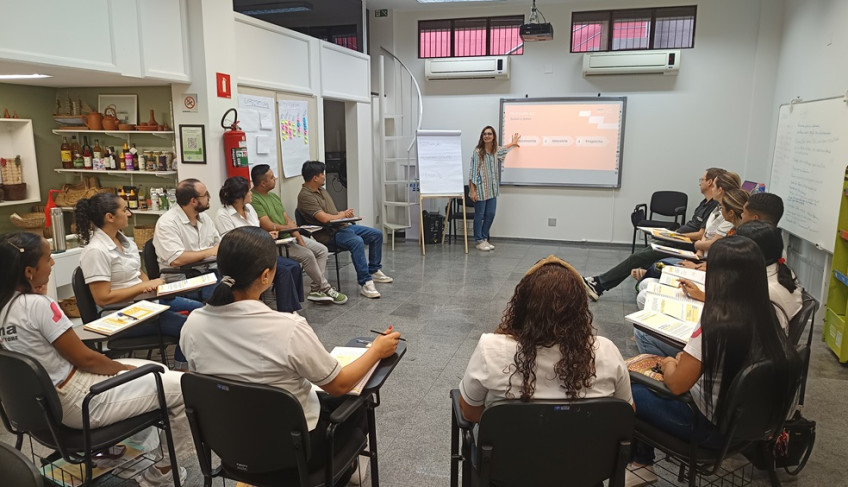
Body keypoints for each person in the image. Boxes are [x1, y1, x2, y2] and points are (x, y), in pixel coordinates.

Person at [180, 226, 401, 480]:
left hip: (229, 446)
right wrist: (376, 350)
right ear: (266, 276)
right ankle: (344, 471)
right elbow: (339, 385)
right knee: (358, 400)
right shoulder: (288, 328)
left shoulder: (194, 324)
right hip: (291, 453)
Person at [0, 232, 192, 487]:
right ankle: (164, 473)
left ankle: (122, 451)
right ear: (28, 271)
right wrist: (119, 367)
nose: (53, 263)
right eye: (48, 259)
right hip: (76, 400)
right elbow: (86, 360)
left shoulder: (6, 307)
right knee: (183, 387)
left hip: (38, 407)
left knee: (155, 367)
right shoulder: (37, 306)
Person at [626, 236, 799, 486]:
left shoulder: (715, 325)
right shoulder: (773, 315)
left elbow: (676, 385)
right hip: (751, 426)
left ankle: (641, 463)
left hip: (708, 430)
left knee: (628, 387)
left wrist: (669, 364)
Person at [458, 255, 632, 425]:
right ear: (580, 310)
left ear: (522, 306)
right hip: (588, 454)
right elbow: (627, 412)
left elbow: (469, 411)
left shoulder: (490, 349)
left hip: (512, 453)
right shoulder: (606, 351)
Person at [75, 193, 203, 369]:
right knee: (191, 328)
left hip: (145, 303)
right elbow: (102, 298)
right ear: (110, 217)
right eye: (124, 210)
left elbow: (138, 272)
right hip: (121, 316)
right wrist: (143, 287)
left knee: (203, 313)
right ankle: (183, 372)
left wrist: (152, 286)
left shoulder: (125, 241)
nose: (129, 213)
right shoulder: (95, 251)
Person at [582, 168, 726, 300]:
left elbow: (702, 234)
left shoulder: (714, 207)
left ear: (710, 182)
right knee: (641, 254)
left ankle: (599, 283)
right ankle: (600, 283)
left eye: (702, 180)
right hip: (678, 239)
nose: (699, 183)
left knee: (639, 257)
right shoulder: (705, 204)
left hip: (684, 244)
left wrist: (677, 236)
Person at [250, 164, 347, 305]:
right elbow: (268, 226)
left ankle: (315, 289)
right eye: (271, 177)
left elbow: (288, 220)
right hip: (274, 243)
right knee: (307, 255)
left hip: (288, 237)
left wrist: (300, 239)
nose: (275, 178)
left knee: (321, 250)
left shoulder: (273, 197)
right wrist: (289, 229)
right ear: (263, 183)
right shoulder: (255, 199)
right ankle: (325, 288)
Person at [298, 160, 392, 299]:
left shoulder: (321, 190)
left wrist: (343, 215)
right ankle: (365, 282)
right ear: (315, 178)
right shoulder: (305, 196)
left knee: (376, 234)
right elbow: (324, 219)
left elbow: (331, 214)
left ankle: (374, 269)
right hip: (328, 234)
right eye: (322, 174)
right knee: (357, 242)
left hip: (342, 227)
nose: (324, 176)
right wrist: (342, 215)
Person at [215, 175, 305, 312]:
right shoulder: (223, 214)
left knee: (294, 267)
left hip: (259, 253)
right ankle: (286, 311)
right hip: (242, 259)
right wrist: (260, 237)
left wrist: (266, 235)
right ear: (240, 195)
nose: (251, 193)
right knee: (283, 271)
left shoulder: (250, 209)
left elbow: (256, 230)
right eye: (248, 191)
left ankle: (293, 305)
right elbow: (233, 241)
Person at [152, 178, 220, 301]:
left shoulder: (204, 218)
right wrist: (209, 252)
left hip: (206, 273)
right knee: (225, 298)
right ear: (193, 201)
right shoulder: (167, 223)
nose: (209, 197)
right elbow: (176, 260)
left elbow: (218, 246)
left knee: (241, 283)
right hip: (181, 280)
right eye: (206, 195)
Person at [468, 126, 521, 251]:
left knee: (490, 214)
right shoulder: (477, 152)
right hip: (480, 189)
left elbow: (504, 149)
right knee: (479, 214)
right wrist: (473, 190)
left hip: (492, 189)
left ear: (493, 136)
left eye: (489, 134)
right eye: (484, 134)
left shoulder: (495, 150)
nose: (487, 136)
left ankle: (485, 238)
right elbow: (473, 172)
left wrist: (513, 143)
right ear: (482, 137)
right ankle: (479, 240)